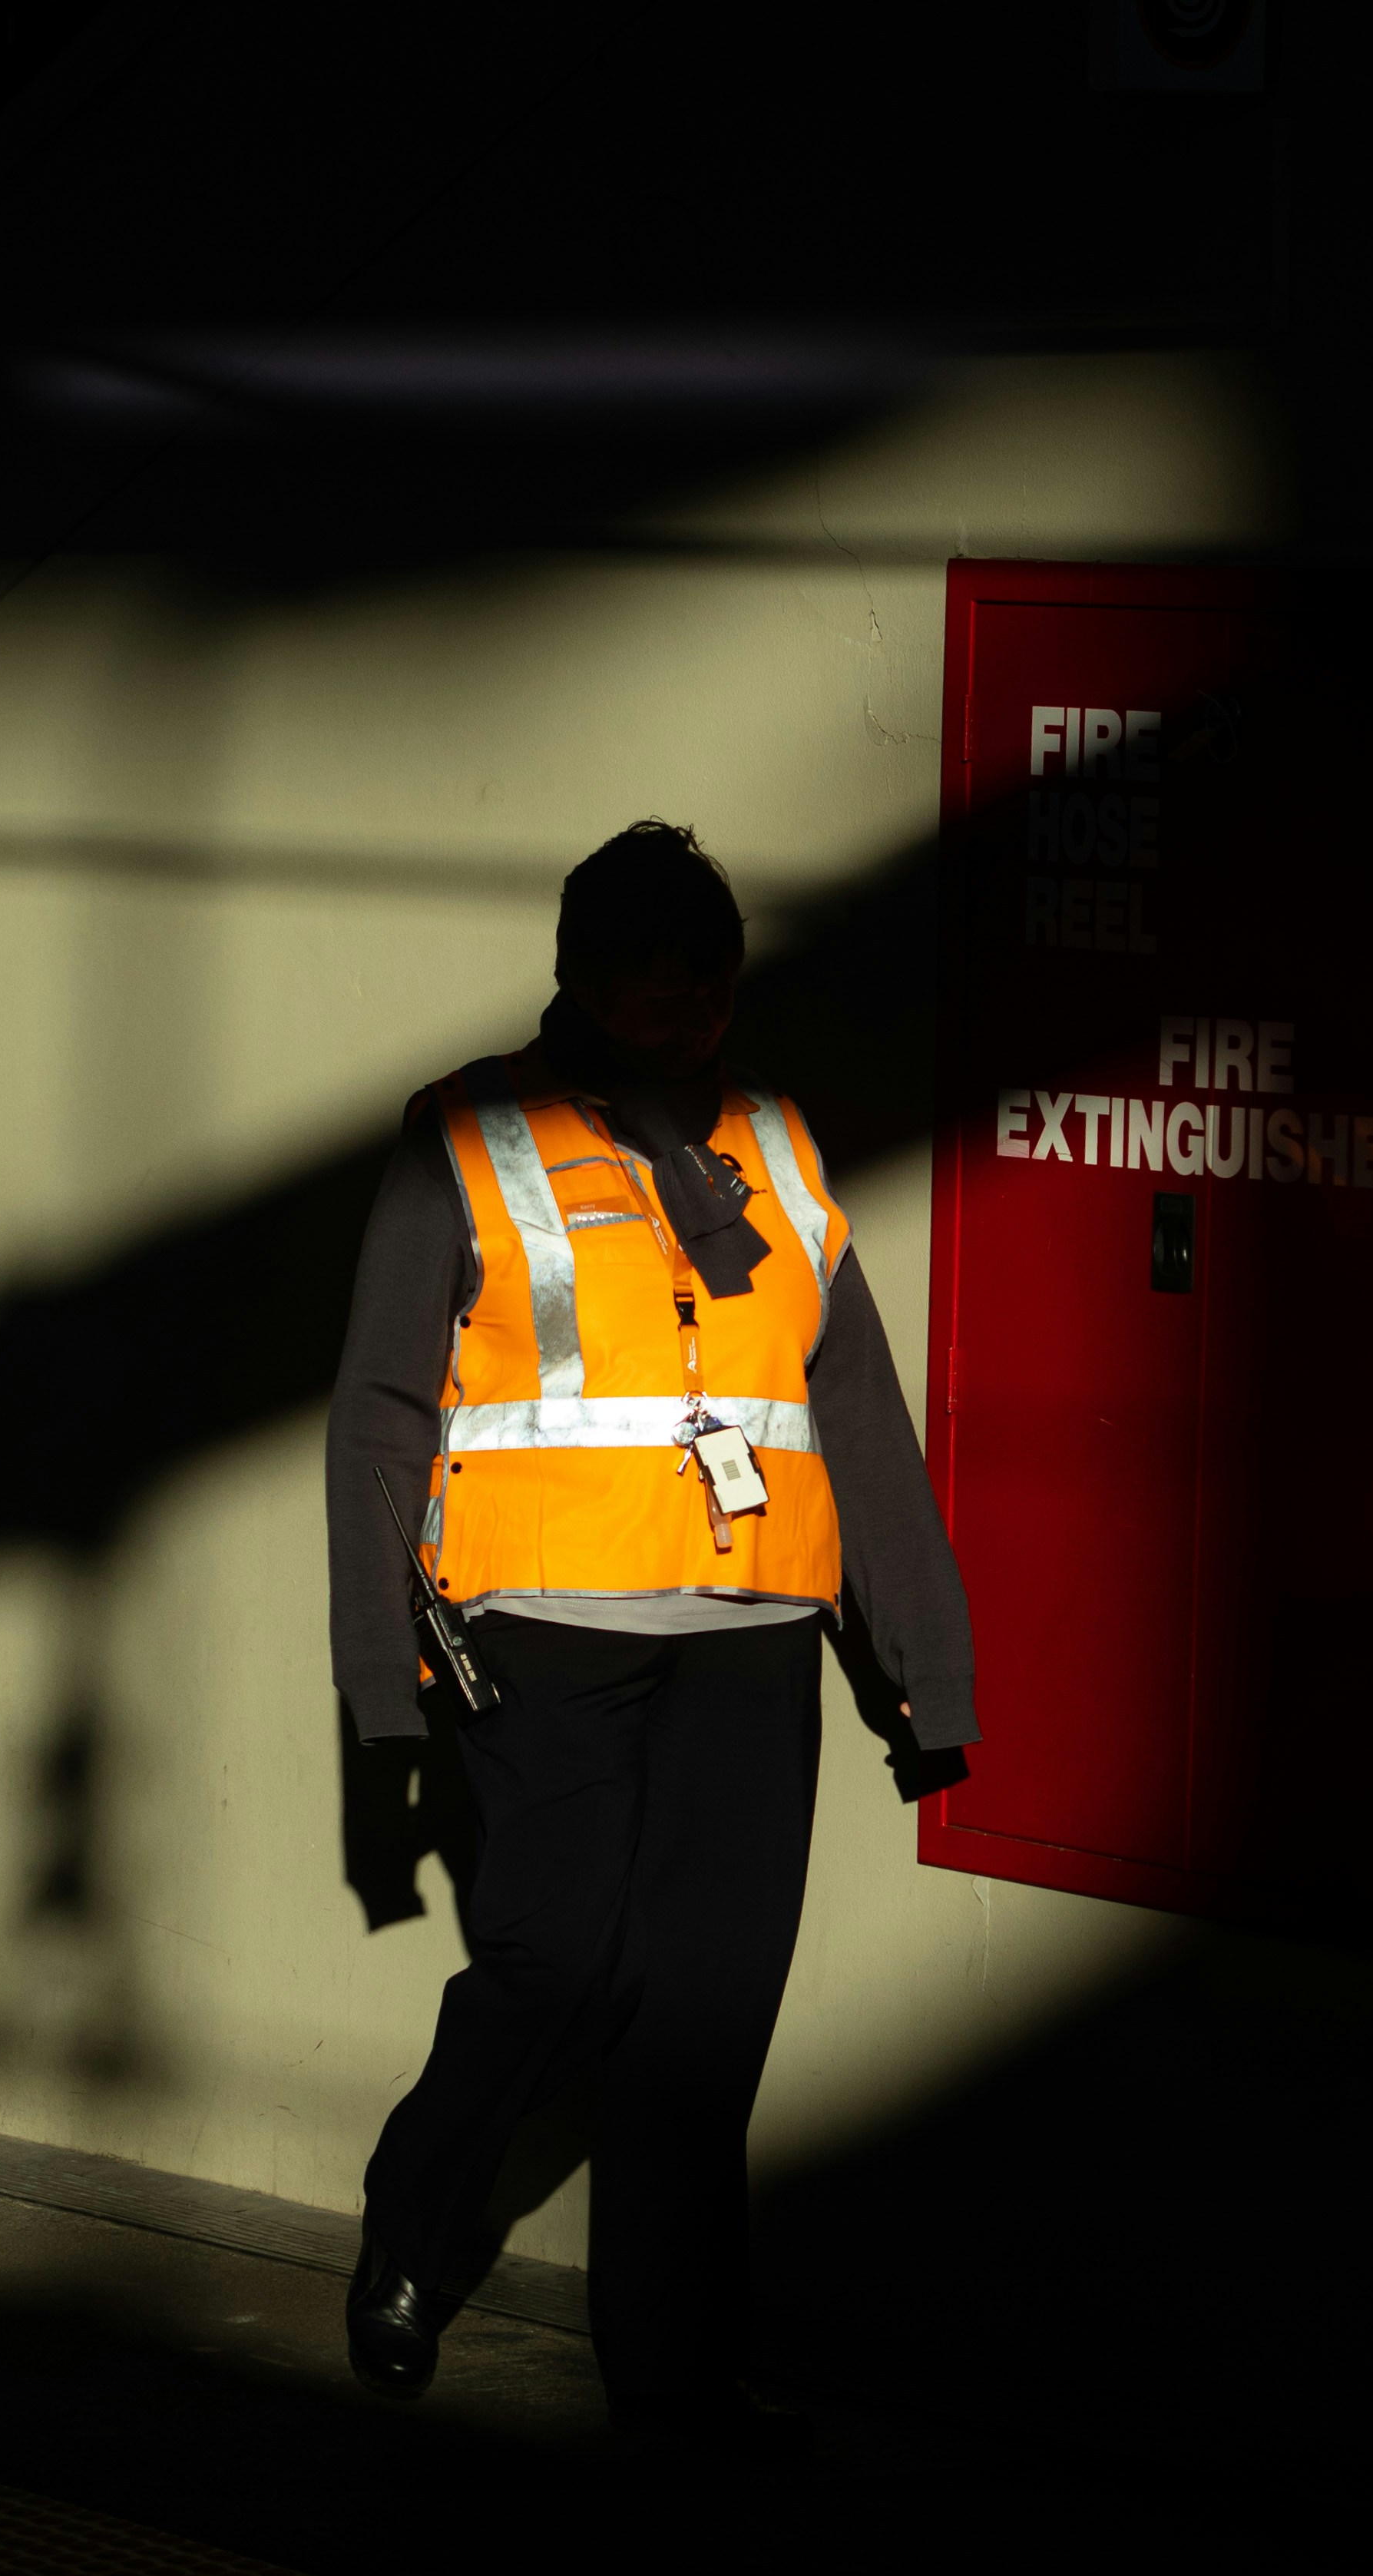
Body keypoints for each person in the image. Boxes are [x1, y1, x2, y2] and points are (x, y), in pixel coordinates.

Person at [323, 818, 977, 2449]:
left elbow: (857, 1410)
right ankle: (416, 2215)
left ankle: (672, 2371)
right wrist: (375, 1685)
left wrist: (925, 1656)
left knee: (705, 2011)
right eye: (637, 977)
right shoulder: (469, 1130)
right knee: (559, 1956)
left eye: (699, 980)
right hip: (538, 1625)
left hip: (749, 1631)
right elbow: (380, 1411)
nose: (672, 1008)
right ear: (580, 977)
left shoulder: (775, 1138)